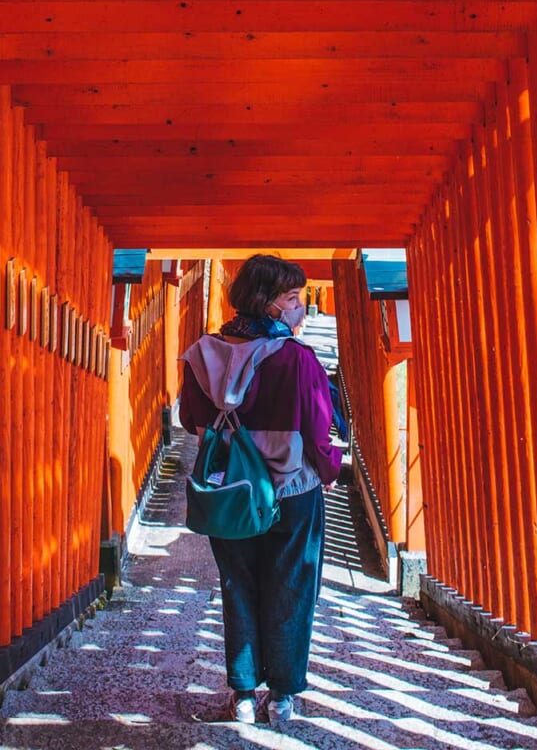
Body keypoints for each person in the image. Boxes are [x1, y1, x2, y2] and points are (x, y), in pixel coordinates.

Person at [179, 254, 342, 726]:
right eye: (292, 299)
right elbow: (317, 435)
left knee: (238, 586)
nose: (300, 308)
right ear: (268, 305)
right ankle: (284, 695)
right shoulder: (296, 358)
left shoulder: (201, 354)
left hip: (231, 491)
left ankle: (243, 693)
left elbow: (191, 420)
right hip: (293, 491)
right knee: (292, 587)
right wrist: (329, 471)